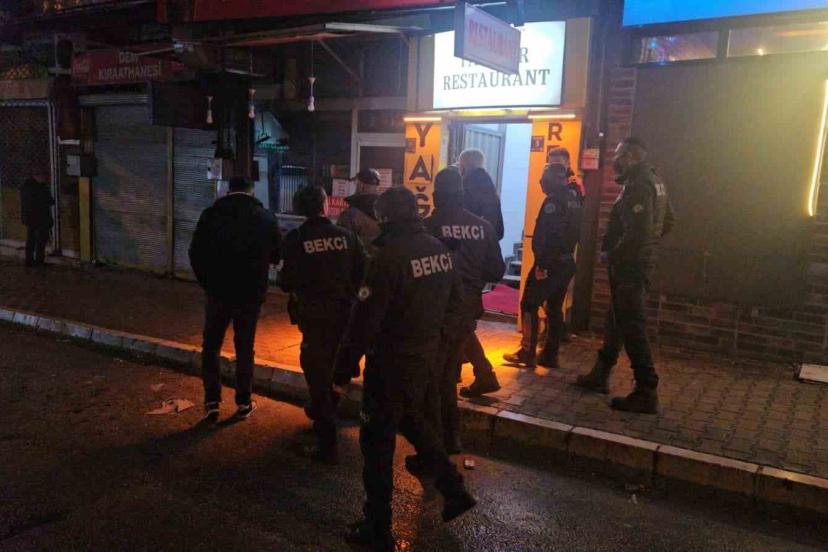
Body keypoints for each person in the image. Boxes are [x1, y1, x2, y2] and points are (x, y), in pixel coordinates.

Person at [333, 186, 476, 551]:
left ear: (385, 218)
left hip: (390, 363)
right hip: (422, 359)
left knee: (376, 443)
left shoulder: (387, 258)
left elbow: (363, 322)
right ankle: (453, 489)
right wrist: (437, 341)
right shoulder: (439, 250)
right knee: (412, 420)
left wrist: (342, 371)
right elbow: (458, 303)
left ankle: (377, 527)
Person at [575, 137, 674, 414]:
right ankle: (600, 373)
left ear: (632, 156)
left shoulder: (639, 186)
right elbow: (668, 221)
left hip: (631, 265)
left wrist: (614, 253)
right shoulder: (654, 181)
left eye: (619, 155)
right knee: (616, 319)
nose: (615, 160)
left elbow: (638, 233)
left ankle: (646, 389)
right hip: (636, 263)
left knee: (632, 325)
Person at [279, 185, 365, 464]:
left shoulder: (296, 239)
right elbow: (364, 272)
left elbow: (286, 281)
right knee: (338, 368)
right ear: (324, 205)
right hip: (346, 317)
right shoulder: (347, 237)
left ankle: (327, 445)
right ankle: (323, 413)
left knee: (316, 373)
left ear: (299, 208)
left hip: (315, 318)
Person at [189, 176, 281, 422]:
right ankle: (243, 401)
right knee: (244, 346)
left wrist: (207, 282)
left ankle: (212, 401)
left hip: (218, 291)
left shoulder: (211, 215)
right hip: (250, 294)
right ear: (252, 191)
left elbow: (195, 252)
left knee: (211, 345)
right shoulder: (265, 218)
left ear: (228, 190)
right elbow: (277, 254)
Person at [423, 168, 505, 407]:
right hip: (469, 298)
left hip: (437, 303)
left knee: (440, 368)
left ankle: (442, 416)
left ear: (436, 196)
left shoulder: (428, 227)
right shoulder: (483, 227)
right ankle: (483, 375)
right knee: (461, 335)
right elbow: (496, 271)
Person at [504, 147, 583, 369]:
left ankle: (527, 352)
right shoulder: (574, 196)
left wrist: (542, 264)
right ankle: (550, 354)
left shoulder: (554, 200)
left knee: (529, 303)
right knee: (554, 308)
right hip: (565, 261)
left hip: (551, 263)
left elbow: (550, 235)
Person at [457, 148, 505, 383]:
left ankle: (477, 372)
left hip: (463, 260)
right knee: (463, 320)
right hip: (481, 262)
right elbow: (499, 231)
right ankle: (467, 368)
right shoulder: (491, 192)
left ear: (463, 165)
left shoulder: (463, 189)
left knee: (459, 321)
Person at [337, 168, 382, 257]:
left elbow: (340, 244)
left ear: (361, 186)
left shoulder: (350, 215)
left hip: (358, 263)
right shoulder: (387, 212)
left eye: (356, 183)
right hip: (380, 263)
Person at [19, 176, 54, 267]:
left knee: (31, 239)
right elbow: (49, 200)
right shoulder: (39, 188)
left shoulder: (25, 187)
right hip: (41, 217)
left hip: (30, 217)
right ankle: (39, 260)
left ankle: (29, 260)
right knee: (41, 239)